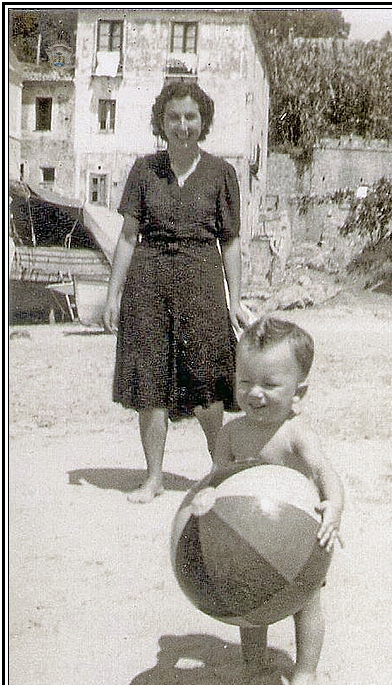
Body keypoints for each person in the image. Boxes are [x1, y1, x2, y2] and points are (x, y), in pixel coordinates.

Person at [103, 81, 249, 502]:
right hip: (148, 283)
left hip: (202, 280)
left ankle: (222, 470)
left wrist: (234, 299)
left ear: (203, 121)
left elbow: (232, 242)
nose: (182, 125)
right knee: (149, 380)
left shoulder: (222, 173)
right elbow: (128, 236)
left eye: (190, 116)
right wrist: (113, 296)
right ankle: (154, 478)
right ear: (161, 122)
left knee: (205, 379)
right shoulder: (144, 170)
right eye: (173, 117)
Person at [212, 316, 344, 685]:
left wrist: (333, 509)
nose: (255, 393)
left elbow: (326, 475)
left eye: (269, 384)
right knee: (250, 602)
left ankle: (305, 670)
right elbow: (219, 483)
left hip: (300, 539)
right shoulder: (231, 435)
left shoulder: (295, 435)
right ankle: (254, 661)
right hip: (246, 537)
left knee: (307, 602)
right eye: (245, 382)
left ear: (298, 394)